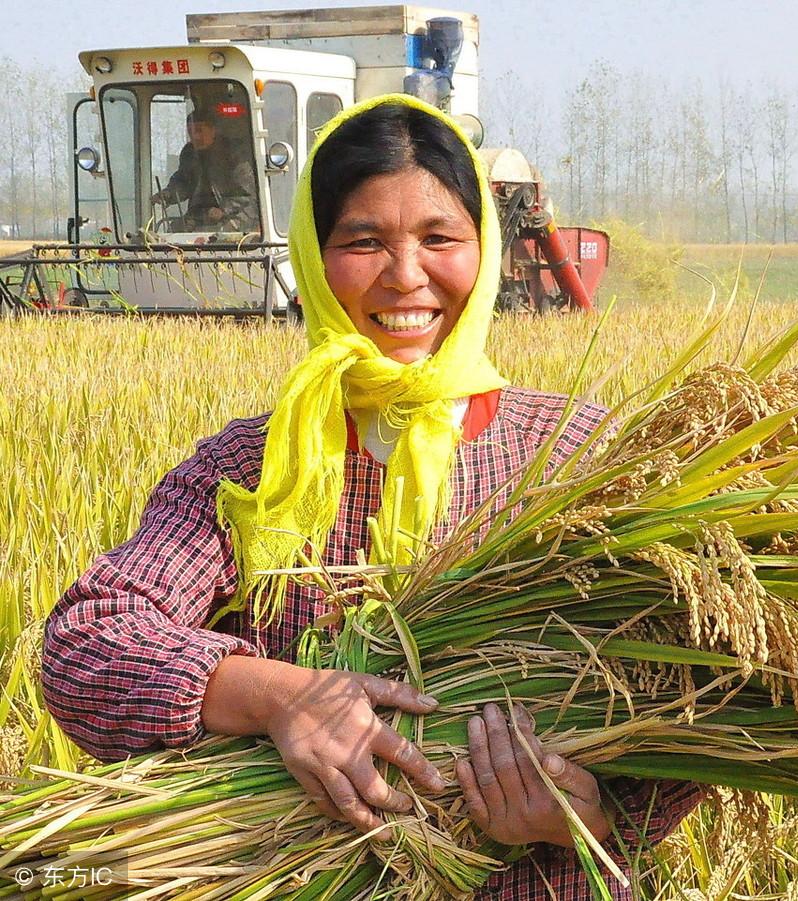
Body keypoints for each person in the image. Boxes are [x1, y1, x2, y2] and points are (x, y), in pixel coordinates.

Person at [42, 93, 702, 897]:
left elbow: (701, 698)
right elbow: (87, 643)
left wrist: (587, 816)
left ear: (485, 251)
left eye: (439, 238)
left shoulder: (580, 461)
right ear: (315, 260)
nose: (407, 276)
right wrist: (282, 697)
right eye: (363, 241)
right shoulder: (251, 468)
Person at [150, 108, 258, 231]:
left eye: (199, 130)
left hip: (236, 217)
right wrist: (168, 194)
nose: (195, 136)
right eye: (190, 132)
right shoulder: (190, 153)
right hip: (200, 216)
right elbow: (184, 182)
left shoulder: (234, 155)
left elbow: (248, 195)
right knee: (173, 232)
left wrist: (224, 210)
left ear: (213, 130)